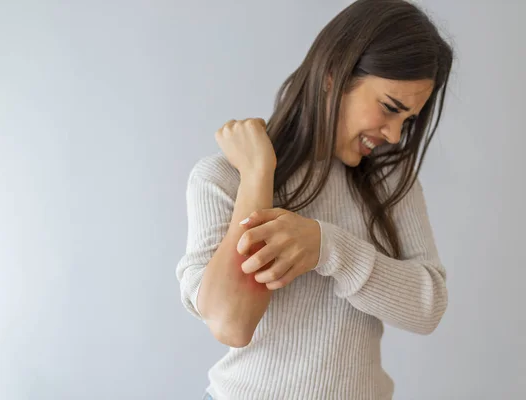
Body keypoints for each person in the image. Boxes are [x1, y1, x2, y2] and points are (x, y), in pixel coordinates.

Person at [176, 0, 453, 398]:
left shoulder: (389, 182)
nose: (394, 135)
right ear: (332, 75)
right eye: (390, 108)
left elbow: (428, 308)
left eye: (406, 120)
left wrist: (328, 247)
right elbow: (231, 323)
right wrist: (258, 174)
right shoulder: (223, 179)